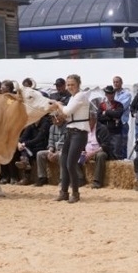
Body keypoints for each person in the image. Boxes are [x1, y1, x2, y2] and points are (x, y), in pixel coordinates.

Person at [56, 75, 89, 203]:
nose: (70, 87)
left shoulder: (81, 96)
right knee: (63, 162)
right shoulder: (72, 97)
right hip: (70, 132)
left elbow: (67, 111)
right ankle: (64, 192)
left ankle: (75, 193)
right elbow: (67, 116)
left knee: (71, 164)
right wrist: (60, 116)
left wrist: (58, 105)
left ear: (78, 84)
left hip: (79, 133)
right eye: (68, 84)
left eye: (72, 84)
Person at [81, 108, 115, 188]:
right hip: (87, 153)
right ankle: (80, 179)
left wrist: (93, 153)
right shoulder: (84, 129)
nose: (86, 123)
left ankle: (97, 182)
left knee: (101, 155)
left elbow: (105, 145)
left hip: (98, 152)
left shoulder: (102, 128)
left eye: (88, 121)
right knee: (75, 155)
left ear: (94, 120)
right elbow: (81, 143)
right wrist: (83, 152)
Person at [34, 110, 67, 186]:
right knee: (40, 154)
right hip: (55, 150)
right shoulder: (52, 127)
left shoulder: (68, 127)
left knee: (61, 155)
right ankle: (42, 177)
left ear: (60, 117)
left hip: (64, 150)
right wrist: (50, 151)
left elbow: (67, 143)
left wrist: (57, 153)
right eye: (52, 117)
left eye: (54, 117)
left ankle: (63, 179)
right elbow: (51, 141)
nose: (53, 119)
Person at [96, 85, 126, 164]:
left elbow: (118, 114)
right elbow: (99, 117)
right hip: (105, 132)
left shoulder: (119, 104)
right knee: (105, 151)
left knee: (117, 152)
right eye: (108, 94)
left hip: (116, 131)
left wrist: (106, 112)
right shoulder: (101, 105)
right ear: (106, 94)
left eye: (112, 93)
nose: (110, 95)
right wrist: (112, 115)